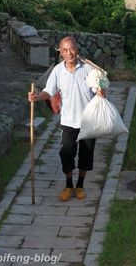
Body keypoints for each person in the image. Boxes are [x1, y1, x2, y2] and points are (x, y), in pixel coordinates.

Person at [28, 36, 104, 201]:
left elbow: (99, 85)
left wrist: (100, 90)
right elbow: (49, 91)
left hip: (89, 121)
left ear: (77, 49)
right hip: (69, 121)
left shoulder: (88, 68)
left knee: (86, 155)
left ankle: (80, 185)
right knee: (66, 153)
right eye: (65, 50)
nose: (69, 53)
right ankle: (69, 184)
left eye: (72, 49)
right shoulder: (58, 70)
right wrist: (36, 97)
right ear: (60, 52)